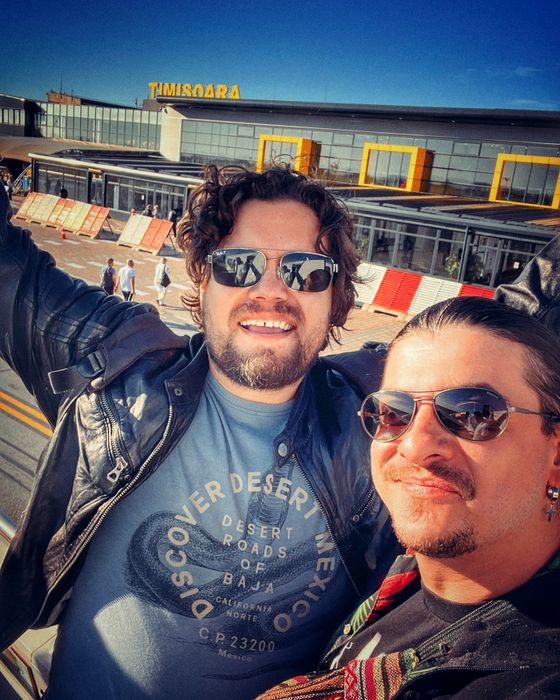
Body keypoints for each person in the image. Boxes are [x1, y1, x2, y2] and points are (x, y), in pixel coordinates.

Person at [0, 166, 555, 699]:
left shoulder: (381, 409)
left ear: (335, 296)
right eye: (238, 265)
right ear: (202, 280)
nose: (270, 290)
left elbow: (515, 325)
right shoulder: (117, 365)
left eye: (304, 271)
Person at [260, 296, 560, 699]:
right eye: (394, 412)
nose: (415, 446)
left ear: (555, 453)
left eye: (474, 413)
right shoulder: (400, 563)